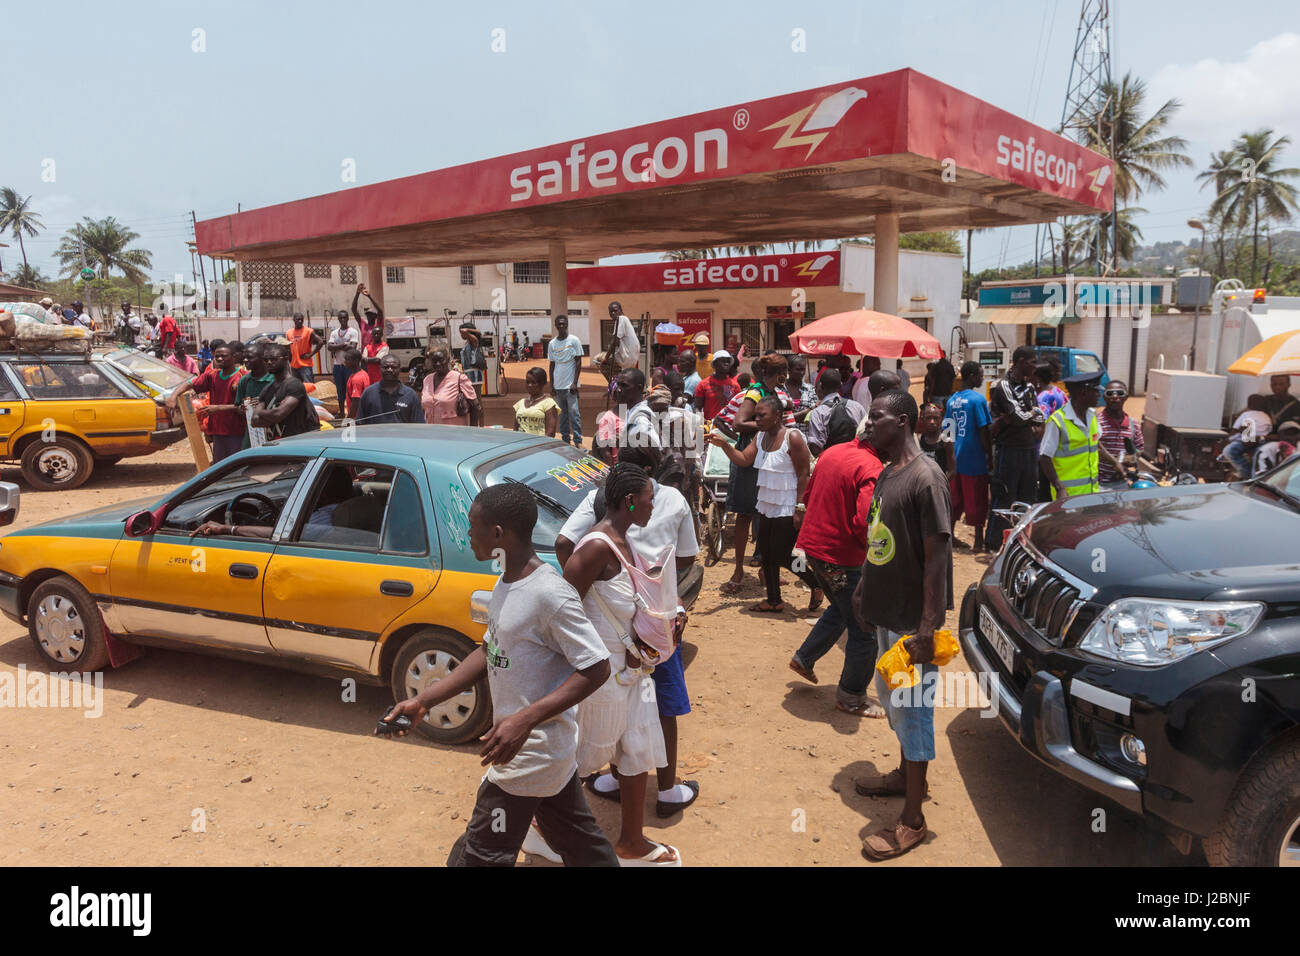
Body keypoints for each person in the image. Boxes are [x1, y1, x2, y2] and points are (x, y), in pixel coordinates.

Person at [379, 483, 616, 867]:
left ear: (499, 534)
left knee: (480, 855)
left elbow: (597, 666)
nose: (467, 534)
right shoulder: (507, 581)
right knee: (581, 846)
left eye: (474, 526)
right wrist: (425, 699)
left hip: (529, 754)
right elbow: (488, 649)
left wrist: (523, 720)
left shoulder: (550, 595)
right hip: (544, 756)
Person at [555, 448, 700, 822]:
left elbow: (640, 592)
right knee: (582, 756)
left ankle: (632, 842)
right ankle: (547, 826)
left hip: (631, 673)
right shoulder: (595, 549)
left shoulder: (625, 540)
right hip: (603, 676)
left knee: (635, 744)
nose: (655, 506)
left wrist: (672, 613)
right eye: (650, 499)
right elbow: (562, 614)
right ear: (631, 501)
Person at [852, 388, 953, 861]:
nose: (869, 425)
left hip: (914, 622)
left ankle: (913, 819)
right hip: (887, 612)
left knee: (914, 711)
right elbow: (879, 538)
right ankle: (906, 774)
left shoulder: (926, 478)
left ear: (904, 422)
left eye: (877, 418)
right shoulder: (889, 472)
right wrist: (863, 589)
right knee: (894, 701)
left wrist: (928, 626)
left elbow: (937, 558)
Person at [788, 419, 884, 716]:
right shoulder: (872, 468)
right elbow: (864, 522)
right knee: (864, 627)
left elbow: (808, 495)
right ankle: (852, 696)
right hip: (840, 555)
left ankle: (805, 657)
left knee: (842, 606)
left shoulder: (833, 452)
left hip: (813, 548)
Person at [709, 395, 814, 613]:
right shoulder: (760, 436)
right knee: (766, 552)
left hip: (787, 503)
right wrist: (724, 446)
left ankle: (816, 583)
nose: (757, 419)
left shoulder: (792, 437)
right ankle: (774, 600)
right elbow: (744, 459)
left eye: (762, 415)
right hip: (767, 502)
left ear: (777, 415)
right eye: (755, 415)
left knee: (783, 554)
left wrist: (800, 508)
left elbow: (804, 474)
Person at [716, 354, 794, 595]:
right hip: (749, 455)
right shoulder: (754, 392)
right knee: (745, 514)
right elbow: (739, 423)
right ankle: (738, 570)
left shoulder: (773, 393)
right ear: (780, 374)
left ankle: (766, 569)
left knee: (767, 513)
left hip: (767, 452)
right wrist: (767, 425)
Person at [986, 346, 1046, 548]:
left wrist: (1028, 417)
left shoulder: (1029, 388)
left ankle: (1022, 542)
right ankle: (995, 544)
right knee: (1004, 496)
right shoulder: (1003, 386)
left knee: (1028, 497)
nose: (1035, 367)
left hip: (1028, 450)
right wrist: (1028, 415)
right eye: (1032, 362)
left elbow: (1039, 416)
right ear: (1020, 361)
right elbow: (1017, 416)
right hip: (1008, 450)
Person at [1039, 370, 1122, 500]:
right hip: (1067, 497)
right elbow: (1044, 457)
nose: (1098, 395)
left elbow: (1096, 445)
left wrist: (1115, 463)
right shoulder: (1057, 421)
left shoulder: (1091, 415)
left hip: (1091, 492)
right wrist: (1059, 488)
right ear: (1083, 393)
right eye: (1095, 391)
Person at [168, 342, 245, 461]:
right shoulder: (212, 375)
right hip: (217, 431)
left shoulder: (242, 377)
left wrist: (218, 408)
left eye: (224, 356)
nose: (219, 359)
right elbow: (189, 384)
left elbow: (245, 406)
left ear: (233, 358)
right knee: (220, 465)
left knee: (236, 464)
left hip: (236, 431)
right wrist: (173, 396)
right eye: (217, 356)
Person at [945, 361, 992, 552]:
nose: (982, 378)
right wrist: (989, 454)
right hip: (974, 459)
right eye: (981, 375)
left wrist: (950, 460)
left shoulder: (951, 400)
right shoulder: (977, 400)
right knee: (977, 501)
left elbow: (947, 432)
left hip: (956, 459)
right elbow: (984, 430)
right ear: (972, 376)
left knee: (955, 500)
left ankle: (950, 536)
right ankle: (978, 542)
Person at [250, 339, 321, 440]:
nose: (269, 362)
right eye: (266, 360)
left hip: (301, 441)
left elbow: (278, 414)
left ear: (285, 359)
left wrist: (260, 412)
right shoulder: (268, 389)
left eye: (274, 359)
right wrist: (272, 415)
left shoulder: (294, 385)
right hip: (279, 443)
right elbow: (254, 421)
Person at [805, 368, 866, 456]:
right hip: (856, 459)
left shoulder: (818, 413)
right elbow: (864, 435)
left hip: (831, 461)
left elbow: (815, 447)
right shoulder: (857, 406)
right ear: (840, 385)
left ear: (821, 386)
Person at [547, 313, 584, 447]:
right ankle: (565, 440)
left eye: (564, 323)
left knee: (574, 414)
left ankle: (578, 441)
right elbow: (551, 365)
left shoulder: (574, 341)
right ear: (556, 326)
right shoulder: (552, 344)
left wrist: (575, 382)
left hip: (570, 387)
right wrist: (552, 386)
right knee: (562, 416)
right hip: (558, 386)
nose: (561, 326)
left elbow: (578, 362)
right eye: (559, 324)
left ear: (567, 324)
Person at [1097, 380, 1143, 486]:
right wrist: (1114, 463)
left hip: (1121, 482)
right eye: (1109, 393)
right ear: (1104, 397)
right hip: (1098, 484)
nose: (1114, 396)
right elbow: (1093, 448)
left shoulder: (1133, 424)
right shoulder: (1096, 422)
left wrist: (1129, 460)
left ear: (1126, 397)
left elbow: (1139, 448)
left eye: (1120, 393)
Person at [421, 347, 481, 426]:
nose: (438, 363)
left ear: (448, 359)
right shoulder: (427, 380)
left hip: (454, 434)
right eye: (434, 361)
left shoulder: (459, 379)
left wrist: (473, 431)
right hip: (431, 434)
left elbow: (476, 406)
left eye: (441, 360)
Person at [354, 354, 421, 424]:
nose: (389, 370)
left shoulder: (410, 395)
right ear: (379, 368)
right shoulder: (368, 393)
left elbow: (419, 425)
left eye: (393, 367)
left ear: (399, 369)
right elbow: (360, 423)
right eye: (385, 367)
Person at [233, 342, 275, 447]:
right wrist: (242, 409)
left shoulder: (275, 380)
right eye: (244, 357)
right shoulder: (245, 380)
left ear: (262, 359)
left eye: (250, 357)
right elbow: (237, 406)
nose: (245, 360)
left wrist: (263, 404)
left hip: (275, 432)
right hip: (252, 435)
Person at [1221, 394, 1273, 479]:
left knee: (1228, 451)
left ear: (1248, 405)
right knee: (1257, 459)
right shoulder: (1266, 417)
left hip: (1245, 440)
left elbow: (1235, 430)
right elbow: (1269, 431)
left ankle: (1245, 472)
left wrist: (1228, 439)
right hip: (1260, 442)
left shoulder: (1246, 414)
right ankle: (1254, 476)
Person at [692, 350, 738, 423]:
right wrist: (702, 421)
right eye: (723, 361)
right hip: (709, 426)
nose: (726, 363)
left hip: (729, 427)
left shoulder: (735, 386)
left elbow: (738, 408)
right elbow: (697, 407)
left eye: (728, 361)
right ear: (715, 363)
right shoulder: (703, 384)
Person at [514, 367, 559, 437]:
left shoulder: (549, 404)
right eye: (527, 382)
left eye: (533, 382)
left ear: (543, 384)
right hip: (521, 444)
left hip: (538, 445)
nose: (529, 385)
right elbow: (515, 430)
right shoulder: (520, 403)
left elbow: (550, 433)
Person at [327, 311, 360, 403]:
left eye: (344, 318)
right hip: (337, 365)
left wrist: (336, 346)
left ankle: (351, 410)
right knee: (339, 390)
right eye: (341, 318)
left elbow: (353, 347)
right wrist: (345, 344)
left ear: (348, 318)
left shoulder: (353, 331)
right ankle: (341, 412)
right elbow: (329, 347)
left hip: (349, 366)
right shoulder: (334, 332)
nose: (343, 320)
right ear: (338, 319)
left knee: (350, 389)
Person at [917, 402, 954, 480]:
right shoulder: (919, 439)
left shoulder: (946, 441)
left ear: (941, 419)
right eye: (928, 418)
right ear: (923, 419)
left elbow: (952, 470)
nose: (932, 422)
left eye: (936, 418)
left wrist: (940, 485)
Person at [286, 313, 323, 383]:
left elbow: (320, 342)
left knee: (309, 388)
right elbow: (289, 349)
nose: (300, 321)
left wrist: (310, 354)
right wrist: (290, 362)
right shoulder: (288, 333)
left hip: (305, 366)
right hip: (294, 366)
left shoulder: (309, 331)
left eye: (301, 320)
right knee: (296, 389)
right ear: (294, 320)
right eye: (298, 319)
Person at [787, 354, 818, 431]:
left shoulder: (810, 389)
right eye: (798, 369)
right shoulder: (780, 390)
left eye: (803, 369)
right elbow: (780, 419)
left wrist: (792, 417)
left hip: (805, 436)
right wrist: (806, 411)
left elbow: (813, 414)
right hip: (785, 437)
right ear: (789, 370)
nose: (801, 373)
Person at [340, 348, 369, 419]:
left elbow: (356, 401)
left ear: (356, 361)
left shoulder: (357, 379)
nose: (345, 361)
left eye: (348, 359)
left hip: (357, 416)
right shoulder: (363, 373)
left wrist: (349, 418)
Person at [459, 323, 486, 389]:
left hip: (474, 374)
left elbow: (463, 330)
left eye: (461, 333)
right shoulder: (467, 343)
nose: (461, 335)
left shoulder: (474, 340)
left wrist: (467, 330)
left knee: (476, 397)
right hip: (468, 373)